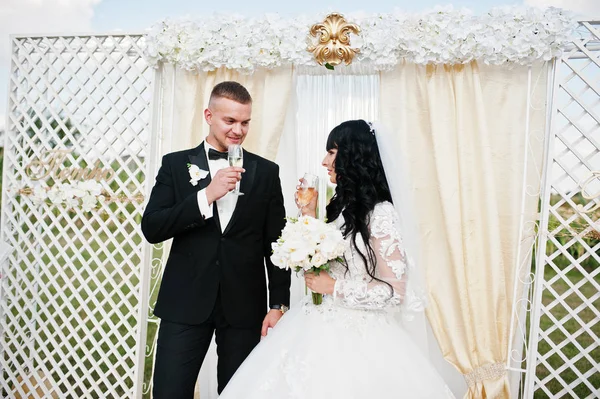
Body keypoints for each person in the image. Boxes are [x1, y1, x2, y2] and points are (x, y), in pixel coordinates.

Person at [219, 119, 454, 398]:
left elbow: (395, 292)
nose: (324, 161)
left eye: (331, 152)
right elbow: (322, 259)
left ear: (353, 155)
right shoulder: (342, 209)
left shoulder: (381, 214)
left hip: (360, 337)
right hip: (313, 323)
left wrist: (333, 287)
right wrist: (308, 213)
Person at [141, 81, 291, 398]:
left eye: (245, 122)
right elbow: (153, 227)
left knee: (239, 393)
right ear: (209, 115)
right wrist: (206, 195)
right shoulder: (175, 165)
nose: (238, 130)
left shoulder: (266, 172)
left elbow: (276, 244)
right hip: (184, 302)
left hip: (244, 307)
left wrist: (278, 304)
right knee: (170, 392)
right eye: (230, 121)